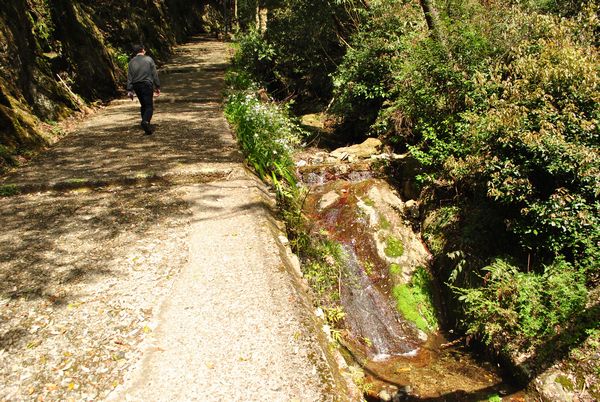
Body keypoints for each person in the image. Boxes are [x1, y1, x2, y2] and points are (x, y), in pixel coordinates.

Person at [127, 44, 160, 135]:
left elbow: (129, 76)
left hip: (136, 85)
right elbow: (154, 74)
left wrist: (129, 90)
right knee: (149, 105)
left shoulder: (131, 62)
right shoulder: (148, 59)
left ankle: (145, 124)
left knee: (143, 105)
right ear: (143, 50)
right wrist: (157, 86)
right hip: (147, 84)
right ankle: (145, 122)